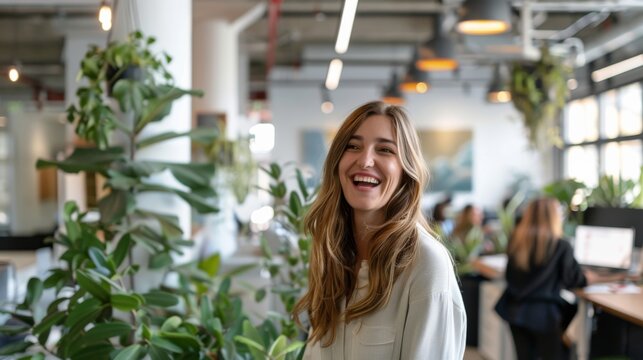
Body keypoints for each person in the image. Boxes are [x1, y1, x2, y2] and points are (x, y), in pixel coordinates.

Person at [293, 101, 467, 359]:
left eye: (385, 150)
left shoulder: (425, 263)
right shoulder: (332, 254)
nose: (365, 160)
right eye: (353, 146)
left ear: (405, 170)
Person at [495, 197, 600, 360]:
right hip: (544, 315)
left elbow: (510, 277)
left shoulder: (517, 241)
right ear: (554, 218)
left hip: (516, 310)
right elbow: (573, 280)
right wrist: (589, 278)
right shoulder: (561, 246)